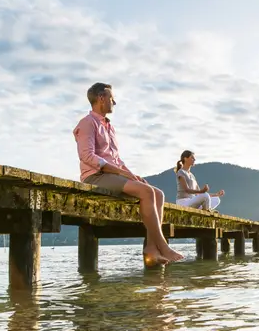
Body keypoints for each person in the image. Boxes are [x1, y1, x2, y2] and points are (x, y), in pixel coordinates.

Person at [73, 83, 184, 266]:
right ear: (101, 98)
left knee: (157, 193)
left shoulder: (109, 127)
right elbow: (86, 155)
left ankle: (151, 248)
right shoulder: (87, 123)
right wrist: (118, 171)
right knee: (147, 193)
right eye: (111, 98)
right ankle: (163, 245)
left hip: (112, 174)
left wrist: (131, 175)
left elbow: (117, 159)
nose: (113, 102)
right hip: (95, 176)